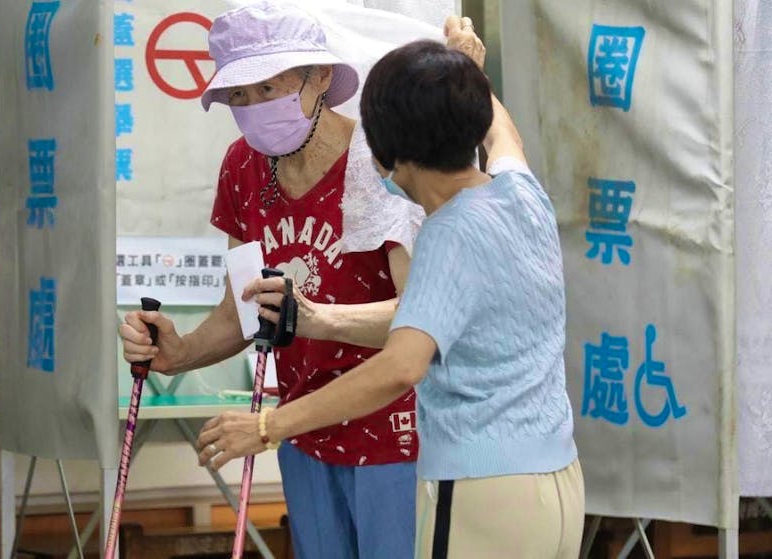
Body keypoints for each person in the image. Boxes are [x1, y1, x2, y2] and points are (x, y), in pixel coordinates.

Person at [196, 20, 586, 559]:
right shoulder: (523, 193)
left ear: (383, 152)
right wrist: (464, 70)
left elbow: (401, 366)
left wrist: (268, 425)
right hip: (557, 483)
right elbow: (502, 133)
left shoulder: (448, 236)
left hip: (480, 488)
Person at [120, 3, 482, 558]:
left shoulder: (377, 161)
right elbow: (246, 310)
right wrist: (180, 352)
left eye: (267, 88)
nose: (251, 108)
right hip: (301, 429)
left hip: (396, 429)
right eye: (237, 96)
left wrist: (313, 315)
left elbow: (421, 318)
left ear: (318, 77)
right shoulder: (242, 166)